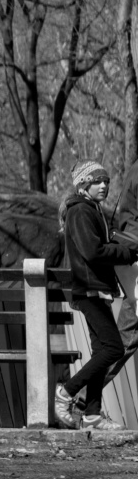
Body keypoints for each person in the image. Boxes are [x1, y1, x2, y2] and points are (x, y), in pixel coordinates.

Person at [56, 159, 138, 428]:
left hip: (97, 290)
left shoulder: (92, 210)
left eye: (106, 181)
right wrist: (125, 253)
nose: (104, 186)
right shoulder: (81, 212)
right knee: (114, 348)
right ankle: (66, 392)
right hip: (89, 290)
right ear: (83, 185)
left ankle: (91, 415)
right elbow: (92, 251)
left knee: (103, 350)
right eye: (97, 182)